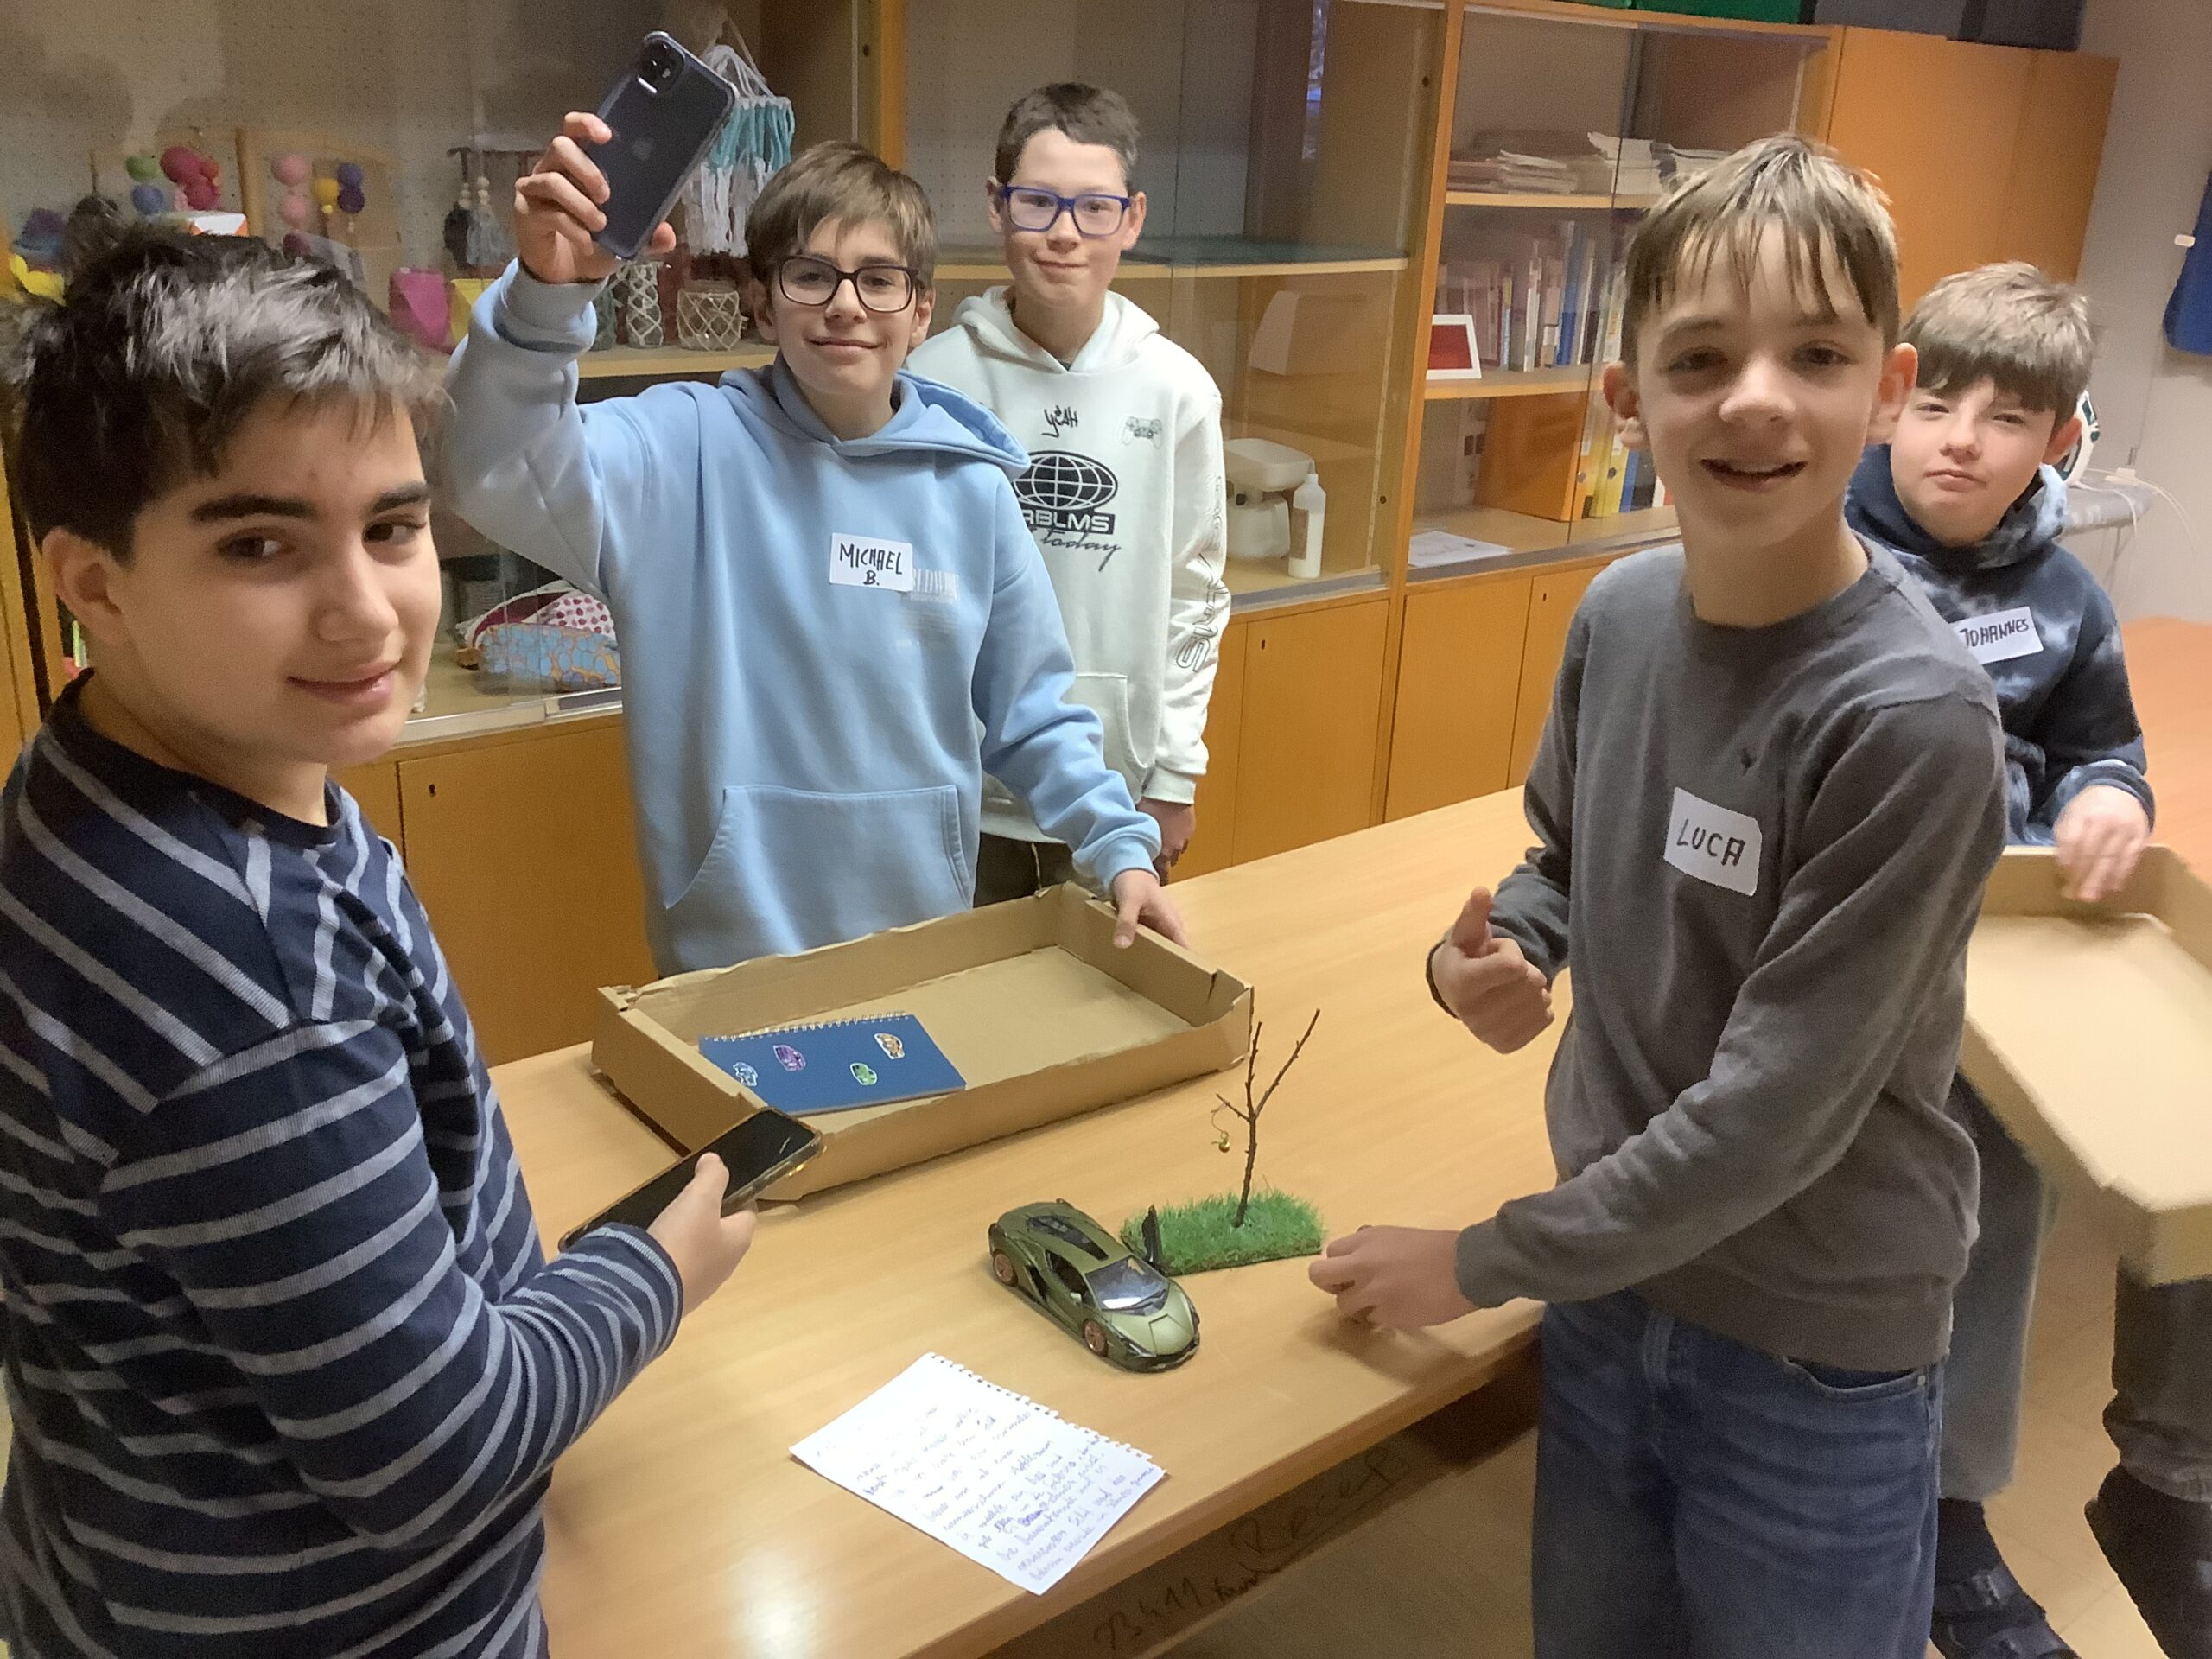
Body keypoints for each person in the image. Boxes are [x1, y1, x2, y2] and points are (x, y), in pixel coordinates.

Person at [0, 226, 754, 1657]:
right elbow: (432, 1455)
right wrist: (655, 1270)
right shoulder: (245, 973)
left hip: (125, 1562)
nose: (364, 613)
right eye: (259, 545)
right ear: (93, 585)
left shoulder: (127, 771)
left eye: (394, 529)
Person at [1308, 135, 2008, 1658]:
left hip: (1810, 1346)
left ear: (1888, 389)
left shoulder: (1910, 720)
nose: (1754, 399)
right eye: (1700, 359)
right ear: (1627, 398)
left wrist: (1477, 1261)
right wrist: (1494, 957)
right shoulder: (1621, 616)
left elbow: (1769, 1118)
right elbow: (1565, 860)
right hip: (1615, 1286)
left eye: (1814, 354)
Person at [446, 129, 1181, 975]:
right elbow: (493, 468)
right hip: (728, 959)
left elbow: (1034, 712)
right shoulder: (675, 451)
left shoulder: (971, 491)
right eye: (810, 275)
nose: (845, 305)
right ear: (762, 303)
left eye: (879, 279)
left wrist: (1118, 845)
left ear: (921, 311)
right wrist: (544, 298)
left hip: (920, 942)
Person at [1847, 262, 2203, 1659]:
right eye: (1937, 403)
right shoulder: (1818, 557)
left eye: (2005, 418)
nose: (1960, 441)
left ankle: (2173, 1480)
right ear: (1890, 400)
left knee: (2189, 1124)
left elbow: (2101, 744)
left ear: (2057, 441)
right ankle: (1943, 1518)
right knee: (1983, 1194)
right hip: (1874, 963)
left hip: (2025, 947)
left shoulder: (2063, 595)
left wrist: (2108, 796)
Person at [909, 82, 1227, 897]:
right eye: (1038, 202)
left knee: (1102, 979)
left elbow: (1196, 596)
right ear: (996, 206)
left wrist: (1175, 774)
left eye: (1093, 208)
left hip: (1114, 795)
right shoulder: (929, 383)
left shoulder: (1177, 391)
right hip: (954, 791)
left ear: (1133, 219)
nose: (1063, 234)